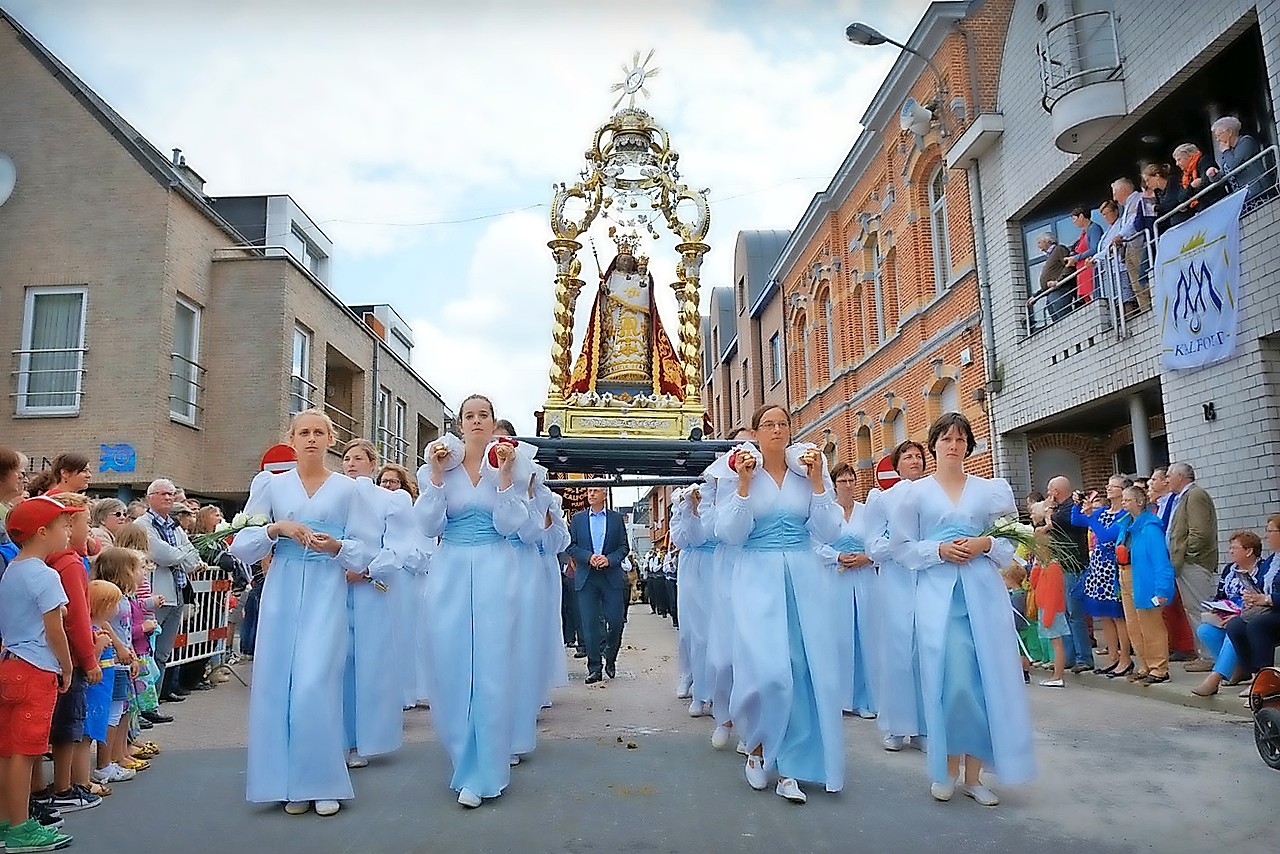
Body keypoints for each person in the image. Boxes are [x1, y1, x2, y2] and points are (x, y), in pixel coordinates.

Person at [229, 409, 376, 817]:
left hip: (327, 586)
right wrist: (276, 531)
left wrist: (336, 548)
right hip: (283, 586)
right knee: (279, 683)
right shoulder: (271, 485)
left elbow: (366, 548)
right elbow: (240, 543)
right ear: (292, 439)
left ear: (331, 438)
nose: (311, 438)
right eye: (304, 432)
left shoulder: (349, 490)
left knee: (315, 681)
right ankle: (288, 781)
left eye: (319, 432)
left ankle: (322, 779)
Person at [891, 413, 1034, 807]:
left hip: (982, 594)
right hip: (938, 596)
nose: (953, 445)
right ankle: (947, 768)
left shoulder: (989, 491)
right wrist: (938, 549)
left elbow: (1008, 543)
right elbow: (901, 548)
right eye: (946, 438)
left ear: (968, 445)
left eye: (960, 439)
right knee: (951, 680)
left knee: (985, 679)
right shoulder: (915, 494)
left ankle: (975, 774)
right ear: (934, 443)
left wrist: (984, 545)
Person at [716, 405, 843, 804]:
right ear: (754, 432)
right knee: (767, 671)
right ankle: (756, 746)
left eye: (782, 424)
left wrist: (821, 481)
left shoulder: (806, 475)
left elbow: (829, 530)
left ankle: (791, 766)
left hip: (803, 577)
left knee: (802, 668)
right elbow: (729, 533)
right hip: (757, 577)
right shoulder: (739, 473)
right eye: (768, 424)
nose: (776, 430)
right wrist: (741, 485)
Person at [413, 394, 529, 809]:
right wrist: (438, 478)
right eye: (469, 415)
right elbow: (428, 525)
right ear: (459, 423)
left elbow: (510, 523)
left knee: (493, 665)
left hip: (497, 567)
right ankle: (462, 759)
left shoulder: (508, 467)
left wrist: (505, 478)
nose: (476, 421)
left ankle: (490, 768)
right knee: (452, 663)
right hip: (451, 569)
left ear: (494, 422)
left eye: (484, 415)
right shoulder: (438, 468)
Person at [0, 496, 79, 853]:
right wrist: (67, 664)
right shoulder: (45, 575)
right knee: (26, 752)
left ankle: (7, 820)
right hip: (36, 668)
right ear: (43, 532)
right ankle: (20, 827)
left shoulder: (12, 570)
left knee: (7, 749)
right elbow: (54, 630)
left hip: (10, 662)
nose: (68, 532)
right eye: (64, 526)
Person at [339, 439, 415, 770]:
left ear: (373, 463)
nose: (351, 463)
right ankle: (337, 737)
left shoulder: (390, 500)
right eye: (346, 458)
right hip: (335, 588)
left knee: (367, 663)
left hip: (370, 589)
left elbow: (397, 545)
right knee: (337, 662)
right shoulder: (337, 494)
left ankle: (363, 740)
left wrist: (368, 571)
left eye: (359, 458)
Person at [869, 440, 930, 752]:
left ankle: (923, 726)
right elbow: (873, 544)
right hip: (896, 579)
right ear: (897, 464)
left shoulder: (934, 493)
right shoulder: (883, 499)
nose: (914, 461)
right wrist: (898, 544)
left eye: (919, 456)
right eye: (908, 456)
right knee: (897, 652)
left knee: (925, 651)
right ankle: (895, 725)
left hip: (929, 577)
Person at [817, 462, 880, 718]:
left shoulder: (868, 513)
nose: (848, 485)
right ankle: (840, 697)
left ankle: (866, 699)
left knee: (867, 636)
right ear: (834, 484)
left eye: (851, 480)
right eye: (843, 481)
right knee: (839, 638)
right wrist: (837, 556)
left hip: (864, 580)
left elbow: (881, 541)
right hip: (836, 581)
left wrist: (868, 557)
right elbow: (814, 544)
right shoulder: (826, 513)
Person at [134, 478, 202, 703]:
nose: (167, 498)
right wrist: (180, 553)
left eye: (171, 494)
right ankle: (144, 703)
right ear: (149, 497)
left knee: (163, 653)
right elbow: (164, 555)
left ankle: (155, 701)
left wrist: (178, 554)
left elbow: (193, 559)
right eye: (162, 493)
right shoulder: (142, 525)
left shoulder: (175, 527)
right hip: (154, 596)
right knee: (148, 650)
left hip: (177, 592)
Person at [377, 462, 431, 710]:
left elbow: (424, 554)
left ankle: (408, 691)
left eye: (393, 482)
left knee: (406, 635)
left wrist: (398, 557)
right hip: (378, 580)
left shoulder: (414, 514)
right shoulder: (372, 512)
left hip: (406, 581)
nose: (388, 486)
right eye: (384, 482)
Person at [1071, 477, 1135, 678]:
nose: (1108, 488)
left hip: (1112, 566)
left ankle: (1125, 656)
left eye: (1113, 486)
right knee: (1104, 614)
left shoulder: (1124, 515)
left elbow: (1107, 536)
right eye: (1107, 484)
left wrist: (1091, 517)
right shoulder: (1102, 512)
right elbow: (1077, 520)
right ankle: (1112, 655)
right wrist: (1078, 505)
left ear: (1123, 490)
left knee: (1118, 616)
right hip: (1099, 566)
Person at [1193, 529, 1267, 697]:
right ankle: (1238, 668)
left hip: (1250, 616)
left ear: (1249, 551)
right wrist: (1217, 608)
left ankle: (1215, 677)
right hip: (1228, 614)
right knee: (1204, 630)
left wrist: (1239, 614)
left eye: (1235, 548)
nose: (1230, 551)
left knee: (1232, 631)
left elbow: (1260, 601)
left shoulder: (1262, 569)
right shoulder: (1229, 570)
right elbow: (1221, 595)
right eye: (1230, 547)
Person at [1115, 486, 1176, 686]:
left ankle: (1159, 667)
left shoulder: (1150, 528)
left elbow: (1161, 561)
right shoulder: (1126, 525)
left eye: (1127, 500)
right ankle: (1144, 665)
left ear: (1140, 502)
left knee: (1150, 624)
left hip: (1142, 576)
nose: (1123, 503)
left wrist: (1162, 590)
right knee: (1134, 625)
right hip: (1125, 574)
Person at [567, 487, 629, 684]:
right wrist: (589, 557)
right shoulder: (577, 520)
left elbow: (623, 547)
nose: (591, 494)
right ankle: (594, 668)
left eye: (596, 491)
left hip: (610, 576)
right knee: (590, 625)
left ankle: (610, 655)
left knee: (616, 621)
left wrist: (609, 560)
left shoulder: (616, 519)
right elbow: (571, 546)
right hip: (587, 576)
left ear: (605, 494)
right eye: (589, 491)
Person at [1165, 462, 1220, 670]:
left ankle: (1211, 657)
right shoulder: (1183, 497)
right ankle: (1205, 655)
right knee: (1193, 609)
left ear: (1181, 477)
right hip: (1185, 564)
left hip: (1193, 564)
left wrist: (1187, 555)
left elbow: (1200, 532)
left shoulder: (1195, 495)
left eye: (1170, 475)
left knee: (1201, 608)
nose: (1167, 479)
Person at [670, 483, 715, 716]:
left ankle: (718, 691)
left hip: (720, 566)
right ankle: (693, 680)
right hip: (693, 569)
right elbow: (682, 539)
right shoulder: (684, 505)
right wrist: (690, 509)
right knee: (692, 631)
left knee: (716, 632)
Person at [1044, 476, 1093, 673]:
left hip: (1074, 565)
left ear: (1056, 491)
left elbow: (1054, 522)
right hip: (1062, 566)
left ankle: (1084, 657)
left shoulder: (1070, 509)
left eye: (1050, 490)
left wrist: (1048, 511)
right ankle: (1070, 656)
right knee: (1065, 613)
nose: (1049, 495)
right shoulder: (1061, 509)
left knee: (1075, 614)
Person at [1223, 521, 1280, 686]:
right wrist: (1253, 597)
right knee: (1236, 625)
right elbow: (1261, 589)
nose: (1266, 535)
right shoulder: (1271, 561)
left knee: (1257, 625)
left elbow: (1267, 596)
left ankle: (1265, 680)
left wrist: (1267, 599)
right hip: (1271, 609)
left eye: (1270, 531)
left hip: (1275, 608)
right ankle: (1250, 673)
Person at [1206, 116, 1267, 202]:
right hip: (1242, 197)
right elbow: (1225, 173)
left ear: (1229, 132)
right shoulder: (1227, 152)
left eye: (1219, 135)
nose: (1217, 139)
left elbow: (1233, 165)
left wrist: (1226, 151)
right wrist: (1213, 175)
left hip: (1257, 193)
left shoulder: (1246, 142)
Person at [1065, 206, 1103, 303]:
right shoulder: (1084, 232)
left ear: (1081, 216)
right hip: (1083, 273)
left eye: (1074, 218)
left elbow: (1094, 249)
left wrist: (1076, 258)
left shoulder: (1094, 228)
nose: (1073, 222)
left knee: (1095, 299)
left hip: (1090, 271)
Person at [1035, 232, 1073, 323]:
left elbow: (1069, 266)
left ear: (1047, 241)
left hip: (1060, 289)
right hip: (1051, 292)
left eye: (1039, 242)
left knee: (1065, 320)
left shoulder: (1059, 249)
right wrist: (1035, 296)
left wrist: (1058, 281)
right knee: (1057, 322)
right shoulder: (1050, 256)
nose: (1038, 246)